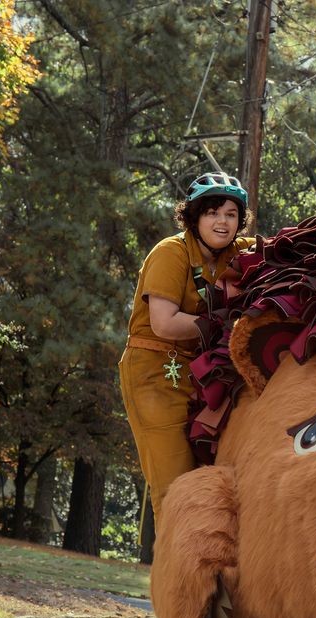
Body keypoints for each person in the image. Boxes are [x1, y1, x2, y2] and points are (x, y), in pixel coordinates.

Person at [119, 172, 254, 525]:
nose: (222, 222)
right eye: (212, 212)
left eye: (231, 213)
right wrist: (220, 323)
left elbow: (282, 252)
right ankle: (175, 575)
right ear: (193, 217)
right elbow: (164, 323)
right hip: (154, 371)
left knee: (205, 478)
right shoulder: (171, 252)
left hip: (202, 373)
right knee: (174, 483)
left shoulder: (238, 253)